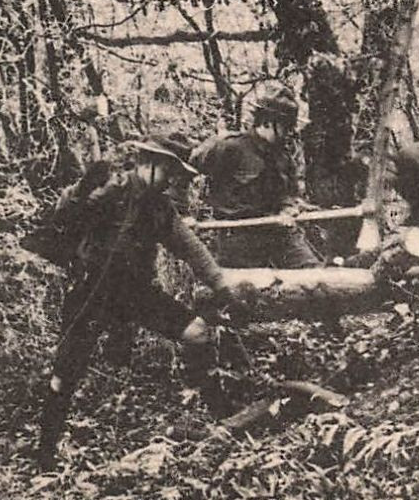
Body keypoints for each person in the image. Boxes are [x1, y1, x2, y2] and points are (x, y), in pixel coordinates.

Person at [29, 133, 235, 469]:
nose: (172, 180)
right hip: (91, 291)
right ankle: (45, 454)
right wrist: (82, 192)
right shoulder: (110, 188)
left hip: (134, 292)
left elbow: (189, 247)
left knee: (198, 332)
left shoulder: (159, 208)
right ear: (150, 164)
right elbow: (64, 216)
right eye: (169, 170)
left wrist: (221, 285)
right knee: (65, 373)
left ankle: (223, 419)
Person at [193, 87, 321, 269]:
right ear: (268, 122)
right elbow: (187, 167)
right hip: (239, 237)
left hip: (278, 232)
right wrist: (183, 210)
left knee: (313, 275)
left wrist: (288, 209)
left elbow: (290, 194)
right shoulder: (230, 148)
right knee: (250, 289)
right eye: (286, 127)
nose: (289, 133)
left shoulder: (283, 157)